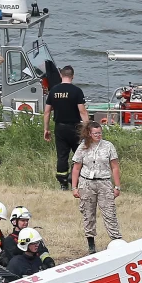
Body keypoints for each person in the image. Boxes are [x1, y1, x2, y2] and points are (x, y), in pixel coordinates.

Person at [71, 121, 122, 254]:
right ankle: (91, 244)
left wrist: (117, 186)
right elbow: (76, 168)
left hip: (104, 182)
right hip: (87, 182)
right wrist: (74, 187)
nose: (98, 135)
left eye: (99, 133)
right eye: (95, 133)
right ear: (89, 133)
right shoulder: (83, 147)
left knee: (109, 212)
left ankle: (116, 240)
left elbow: (115, 166)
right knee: (88, 213)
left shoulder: (108, 146)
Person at [43, 65, 87, 190]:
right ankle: (74, 178)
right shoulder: (76, 91)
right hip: (76, 127)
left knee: (62, 156)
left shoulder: (53, 91)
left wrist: (46, 129)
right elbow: (82, 112)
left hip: (60, 128)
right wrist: (88, 128)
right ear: (72, 76)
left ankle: (63, 183)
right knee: (80, 154)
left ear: (61, 75)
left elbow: (47, 112)